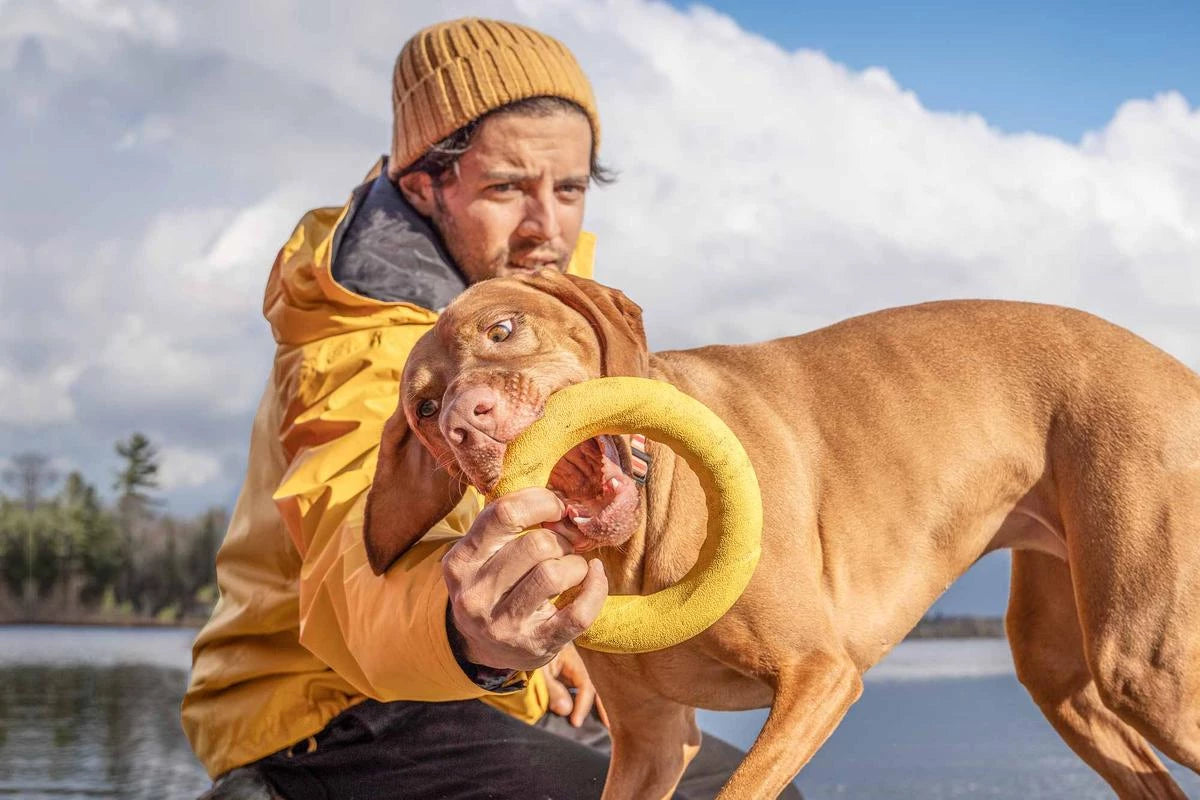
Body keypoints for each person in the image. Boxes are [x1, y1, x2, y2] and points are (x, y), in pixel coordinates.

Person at [183, 16, 802, 800]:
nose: (547, 224)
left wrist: (563, 640)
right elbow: (349, 566)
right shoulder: (364, 343)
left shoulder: (546, 306)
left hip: (509, 686)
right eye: (507, 187)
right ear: (423, 186)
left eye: (570, 188)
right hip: (329, 710)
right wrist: (465, 632)